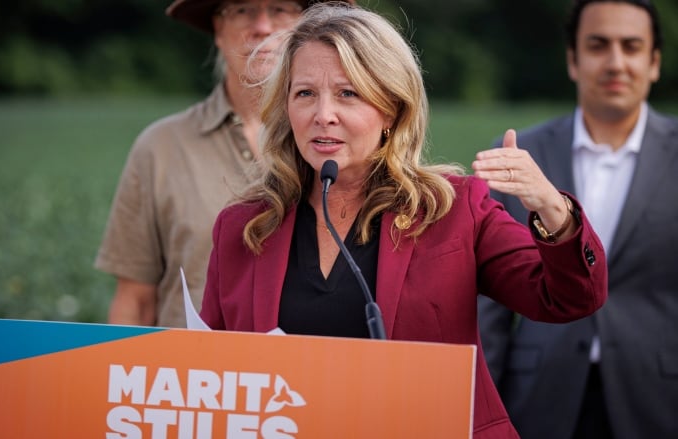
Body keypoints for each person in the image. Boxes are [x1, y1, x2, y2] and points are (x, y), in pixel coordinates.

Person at [199, 3, 608, 437]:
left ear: (391, 110)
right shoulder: (243, 229)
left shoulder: (453, 209)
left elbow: (569, 298)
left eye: (347, 93)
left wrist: (551, 208)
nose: (323, 114)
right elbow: (212, 380)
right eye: (304, 94)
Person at [477, 1, 678, 438]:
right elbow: (488, 304)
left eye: (632, 46)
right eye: (598, 45)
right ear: (573, 59)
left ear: (654, 62)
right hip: (538, 395)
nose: (616, 62)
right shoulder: (519, 153)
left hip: (659, 399)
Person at [95, 0, 352, 327]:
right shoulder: (160, 147)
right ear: (218, 29)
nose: (262, 26)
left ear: (309, 26)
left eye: (280, 9)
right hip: (190, 374)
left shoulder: (343, 144)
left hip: (305, 374)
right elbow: (135, 300)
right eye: (242, 10)